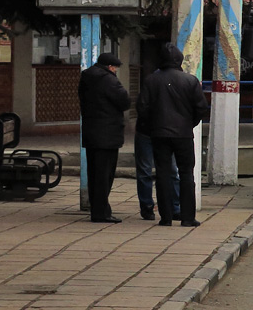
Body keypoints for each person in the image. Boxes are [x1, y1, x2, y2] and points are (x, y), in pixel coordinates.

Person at [137, 44, 209, 227]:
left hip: (159, 134)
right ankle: (187, 217)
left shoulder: (150, 80)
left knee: (162, 174)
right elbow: (201, 108)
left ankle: (166, 217)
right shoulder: (190, 81)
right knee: (186, 174)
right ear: (180, 60)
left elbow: (142, 108)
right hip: (183, 134)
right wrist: (189, 123)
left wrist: (153, 126)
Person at [77, 51, 130, 223]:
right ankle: (101, 212)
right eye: (115, 68)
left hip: (92, 132)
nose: (115, 71)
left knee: (94, 174)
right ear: (110, 67)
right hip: (107, 135)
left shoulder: (86, 77)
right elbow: (125, 101)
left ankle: (97, 208)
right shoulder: (109, 80)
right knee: (104, 175)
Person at [134, 46, 180, 221]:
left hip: (147, 130)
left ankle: (147, 207)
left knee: (145, 170)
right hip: (168, 132)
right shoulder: (184, 80)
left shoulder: (150, 80)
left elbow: (141, 106)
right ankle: (174, 207)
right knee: (171, 170)